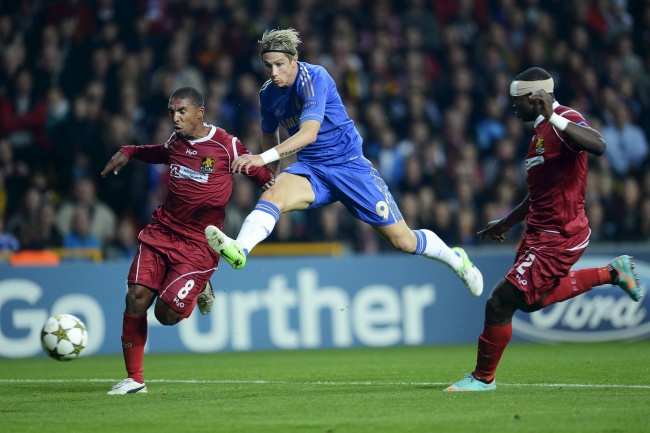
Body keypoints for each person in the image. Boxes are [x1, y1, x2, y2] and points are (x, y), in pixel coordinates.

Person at [204, 28, 483, 298]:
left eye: (279, 64)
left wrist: (261, 159)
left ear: (294, 60)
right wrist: (271, 174)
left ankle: (456, 258)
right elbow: (269, 133)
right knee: (272, 195)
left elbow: (309, 133)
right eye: (268, 66)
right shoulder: (268, 94)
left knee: (403, 241)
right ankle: (240, 249)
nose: (274, 72)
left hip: (350, 168)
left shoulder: (315, 77)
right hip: (312, 170)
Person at [444, 67, 642, 392]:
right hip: (538, 233)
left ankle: (483, 379)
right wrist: (507, 222)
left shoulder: (564, 119)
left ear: (536, 98)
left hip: (560, 236)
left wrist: (553, 116)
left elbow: (599, 144)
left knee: (499, 302)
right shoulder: (539, 132)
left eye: (517, 100)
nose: (513, 106)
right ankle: (611, 273)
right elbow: (540, 192)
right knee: (531, 301)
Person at [100, 87, 274, 394]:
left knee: (166, 315)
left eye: (181, 112)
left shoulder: (226, 144)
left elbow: (260, 174)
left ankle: (201, 287)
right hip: (163, 232)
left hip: (199, 244)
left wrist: (278, 189)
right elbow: (159, 153)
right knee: (136, 298)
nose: (175, 118)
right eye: (172, 112)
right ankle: (135, 379)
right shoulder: (176, 142)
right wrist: (129, 151)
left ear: (199, 113)